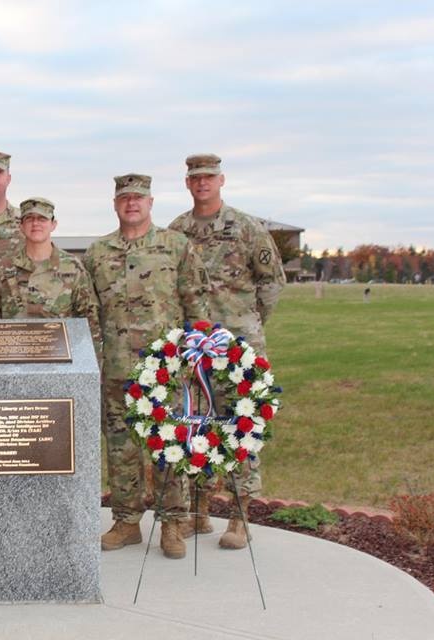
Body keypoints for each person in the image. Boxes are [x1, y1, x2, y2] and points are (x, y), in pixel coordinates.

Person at [84, 174, 209, 559]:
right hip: (116, 368)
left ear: (150, 203)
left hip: (164, 369)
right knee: (121, 449)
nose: (131, 203)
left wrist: (195, 356)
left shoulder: (176, 246)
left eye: (138, 198)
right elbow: (88, 311)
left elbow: (197, 303)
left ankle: (172, 524)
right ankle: (126, 522)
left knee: (168, 445)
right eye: (125, 198)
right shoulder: (98, 253)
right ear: (115, 204)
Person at [169, 153, 286, 550]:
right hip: (194, 345)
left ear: (221, 180)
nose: (202, 183)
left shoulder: (247, 228)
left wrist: (248, 323)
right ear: (187, 183)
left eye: (209, 177)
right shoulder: (178, 231)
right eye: (195, 178)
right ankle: (199, 512)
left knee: (240, 424)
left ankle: (239, 516)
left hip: (237, 347)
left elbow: (272, 282)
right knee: (195, 423)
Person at [0, 197, 101, 351]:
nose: (35, 223)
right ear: (21, 226)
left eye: (42, 219)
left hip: (61, 357)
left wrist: (89, 361)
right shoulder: (5, 268)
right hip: (15, 358)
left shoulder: (72, 267)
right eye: (29, 218)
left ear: (53, 225)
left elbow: (89, 322)